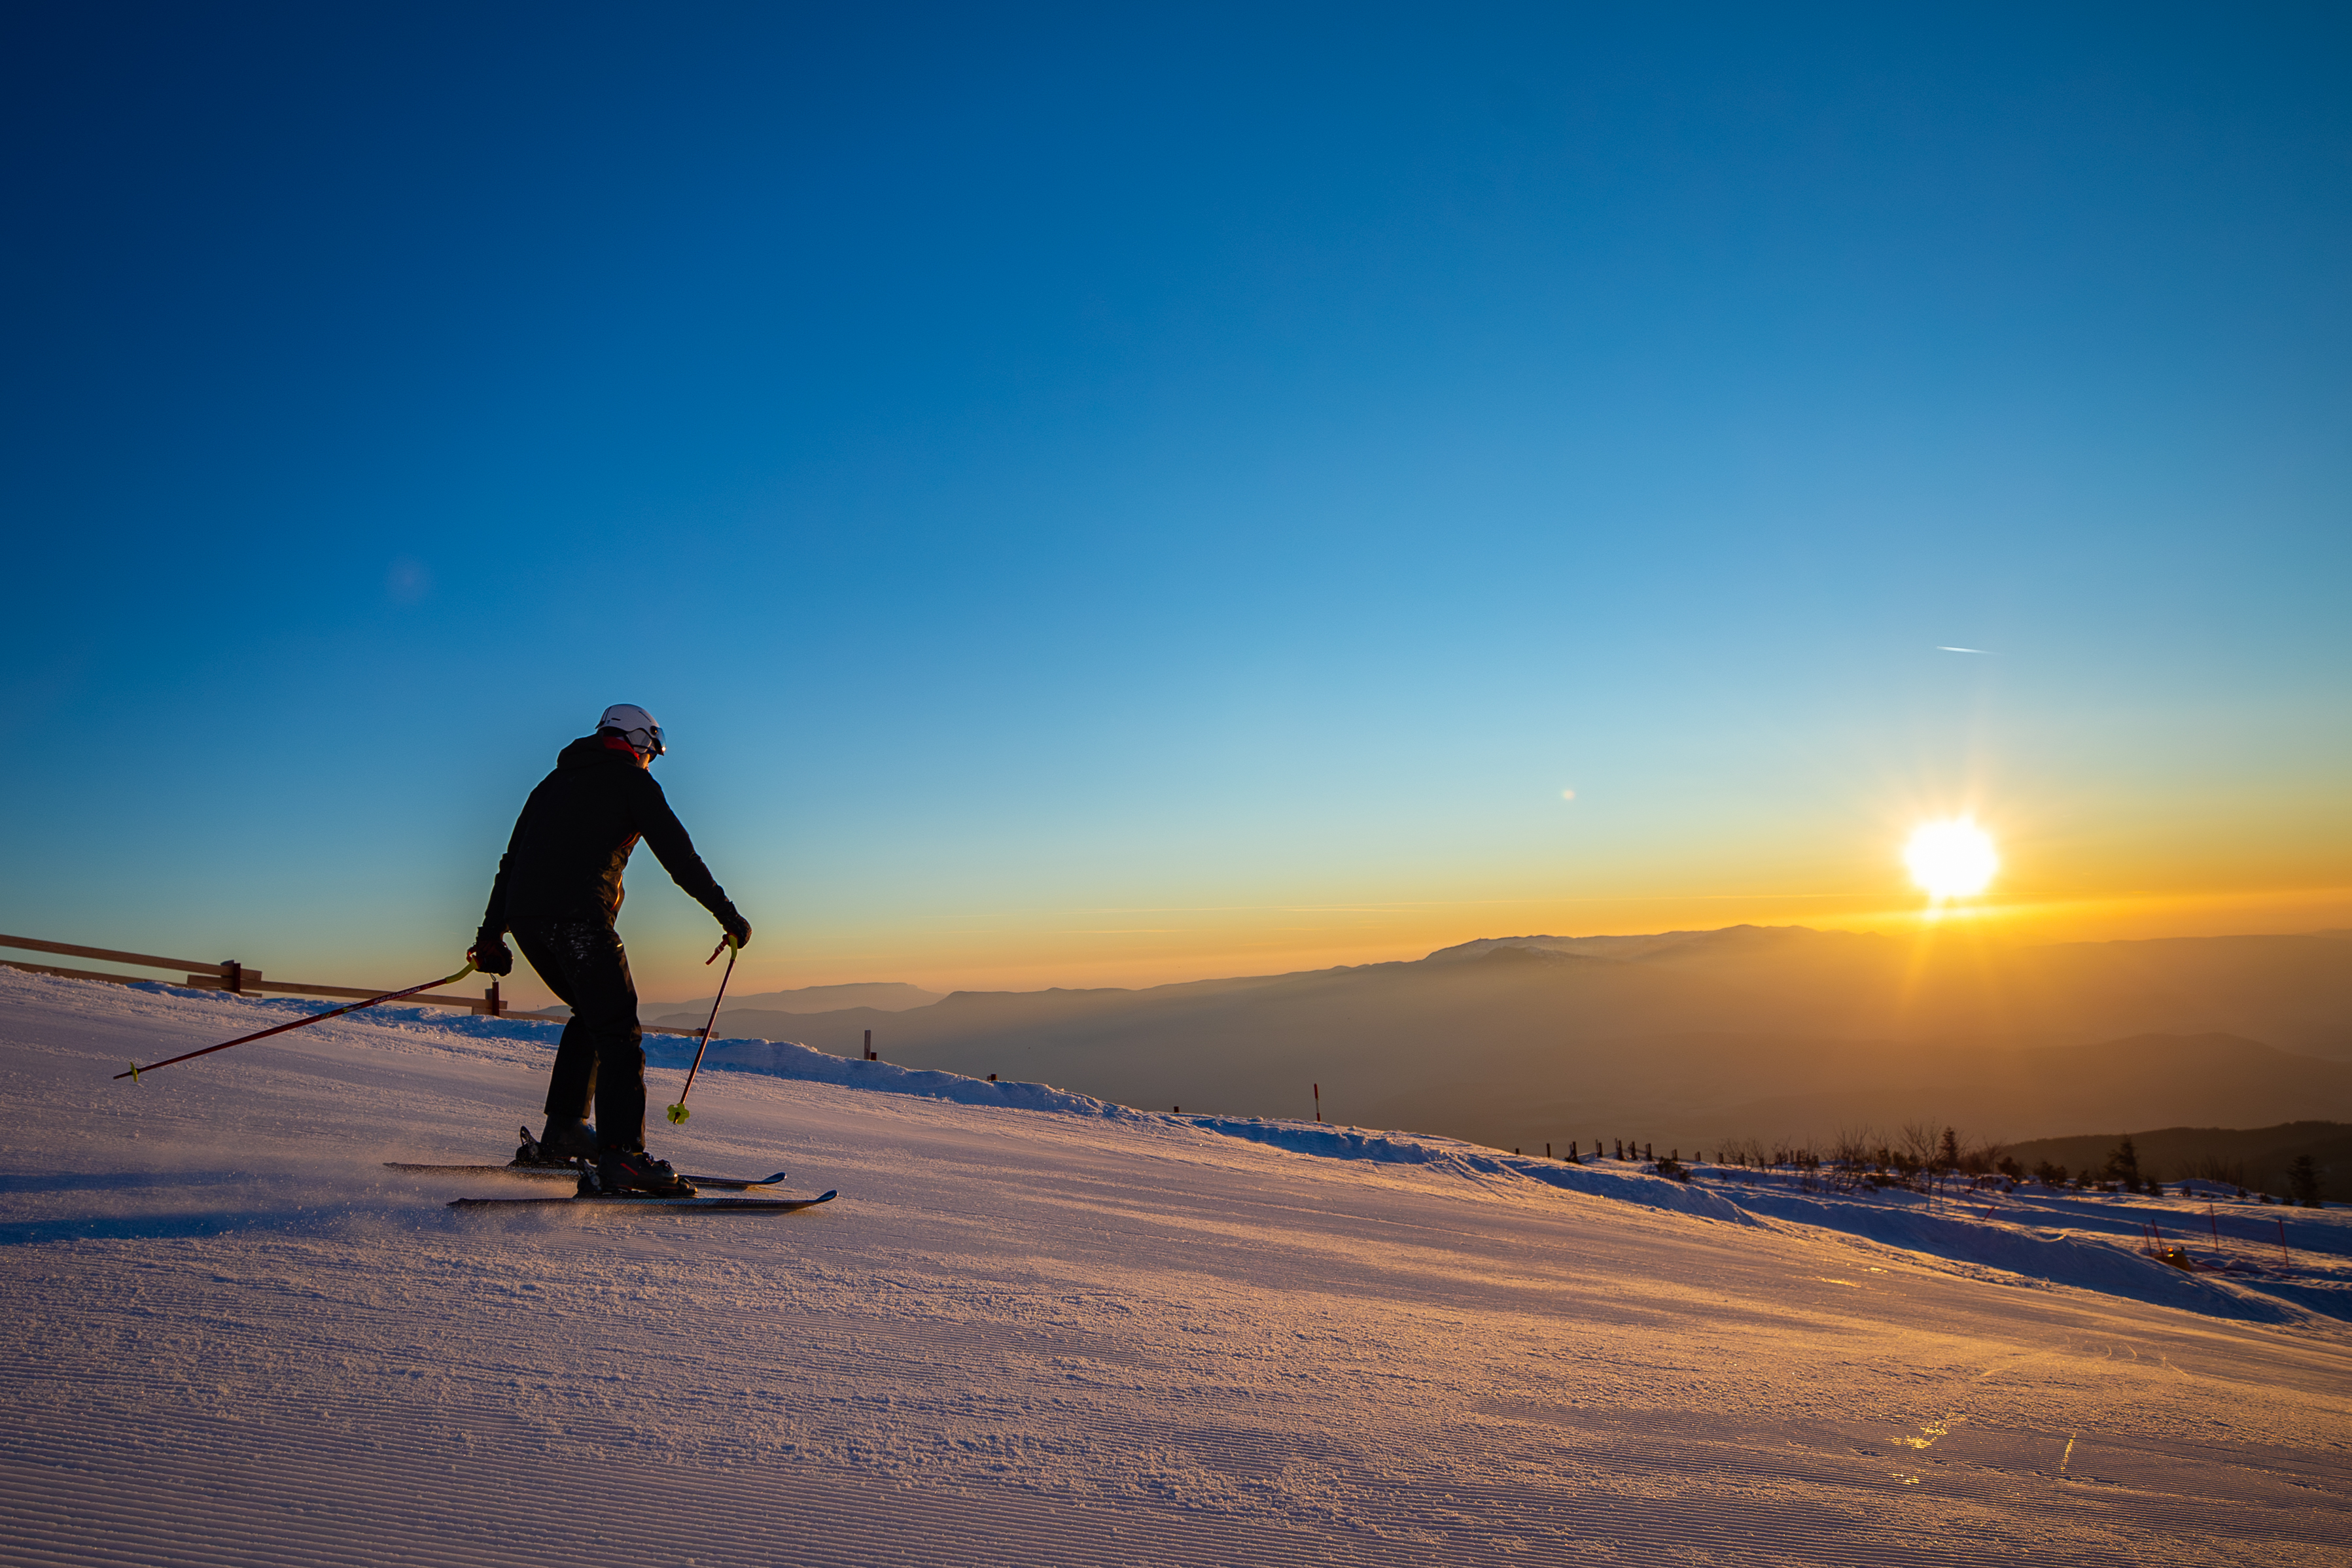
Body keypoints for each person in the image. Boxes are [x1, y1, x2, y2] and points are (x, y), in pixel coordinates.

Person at [468, 704, 752, 1196]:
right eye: (651, 751)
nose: (650, 761)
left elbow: (510, 862)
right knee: (619, 1030)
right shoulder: (632, 782)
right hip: (578, 919)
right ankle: (624, 1156)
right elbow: (679, 856)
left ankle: (564, 1132)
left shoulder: (549, 785)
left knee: (591, 1013)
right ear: (639, 742)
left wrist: (491, 934)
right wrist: (729, 916)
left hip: (528, 920)